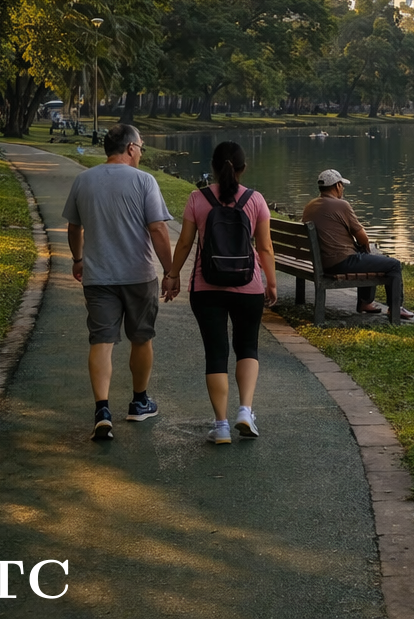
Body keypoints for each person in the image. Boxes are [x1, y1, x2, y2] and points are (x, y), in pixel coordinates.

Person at [62, 123, 174, 440]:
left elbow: (74, 228)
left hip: (98, 277)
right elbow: (158, 230)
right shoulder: (144, 181)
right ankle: (139, 402)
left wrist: (78, 259)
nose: (141, 151)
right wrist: (170, 271)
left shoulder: (83, 180)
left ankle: (102, 409)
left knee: (101, 341)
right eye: (140, 146)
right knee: (142, 338)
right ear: (130, 148)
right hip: (139, 276)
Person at [165, 141, 278, 444]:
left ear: (214, 167)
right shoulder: (256, 200)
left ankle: (221, 425)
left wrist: (173, 275)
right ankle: (245, 410)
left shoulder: (196, 198)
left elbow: (186, 244)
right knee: (247, 347)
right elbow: (265, 247)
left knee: (216, 353)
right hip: (249, 286)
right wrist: (271, 281)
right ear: (243, 168)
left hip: (206, 287)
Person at [301, 169, 411, 319]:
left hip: (321, 261)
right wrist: (365, 248)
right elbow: (362, 236)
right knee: (393, 265)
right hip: (340, 262)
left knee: (367, 255)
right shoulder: (341, 205)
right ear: (337, 186)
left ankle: (366, 303)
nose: (343, 189)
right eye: (342, 186)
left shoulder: (310, 205)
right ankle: (396, 308)